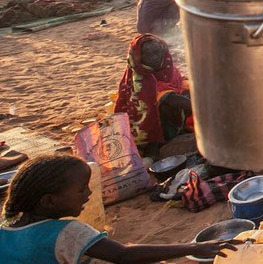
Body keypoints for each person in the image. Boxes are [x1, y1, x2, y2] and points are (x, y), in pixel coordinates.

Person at [0, 155, 239, 263]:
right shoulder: (66, 232)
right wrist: (195, 247)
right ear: (49, 201)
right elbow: (123, 255)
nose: (89, 194)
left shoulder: (5, 228)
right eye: (82, 189)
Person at [114, 34, 191, 156]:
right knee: (168, 100)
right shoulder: (139, 78)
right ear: (138, 57)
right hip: (145, 127)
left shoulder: (167, 68)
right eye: (147, 55)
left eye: (157, 52)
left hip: (169, 118)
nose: (154, 58)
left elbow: (180, 84)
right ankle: (154, 148)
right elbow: (170, 99)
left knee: (188, 91)